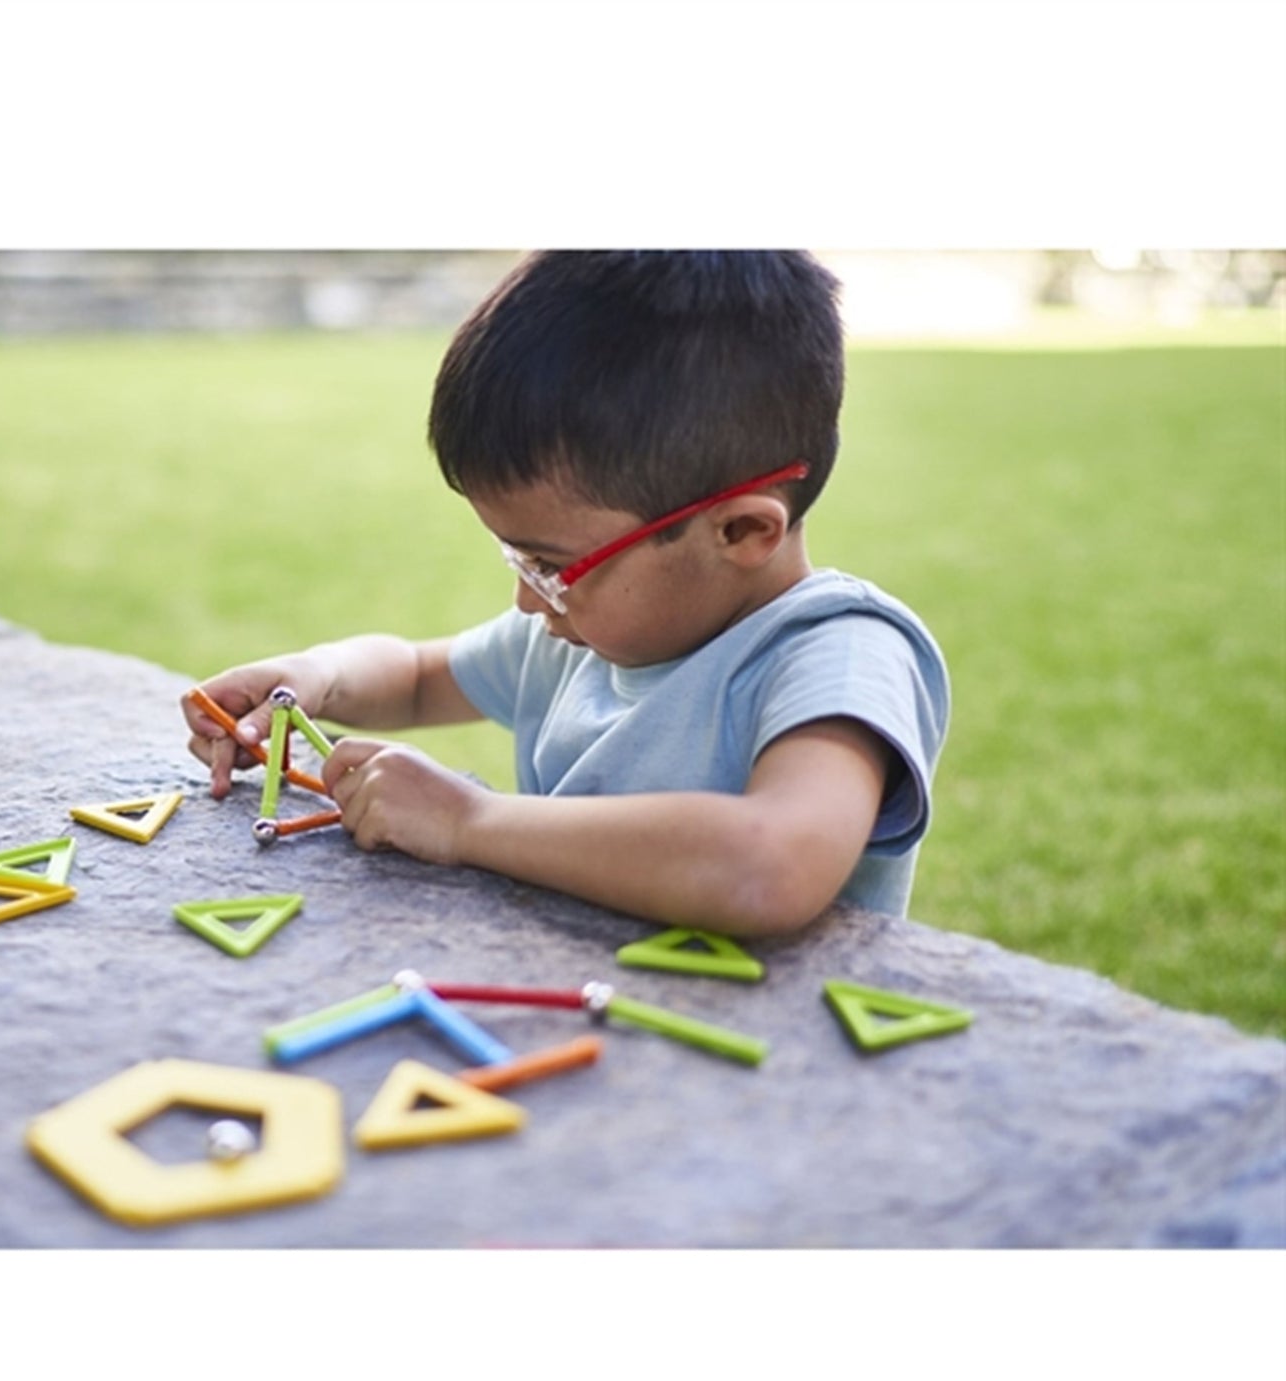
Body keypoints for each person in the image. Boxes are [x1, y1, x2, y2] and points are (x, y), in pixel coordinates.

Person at [181, 251, 950, 937]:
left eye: (550, 564)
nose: (527, 600)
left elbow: (770, 865)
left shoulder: (841, 656)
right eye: (515, 556)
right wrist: (316, 678)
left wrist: (470, 821)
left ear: (741, 531)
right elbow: (416, 677)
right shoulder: (582, 635)